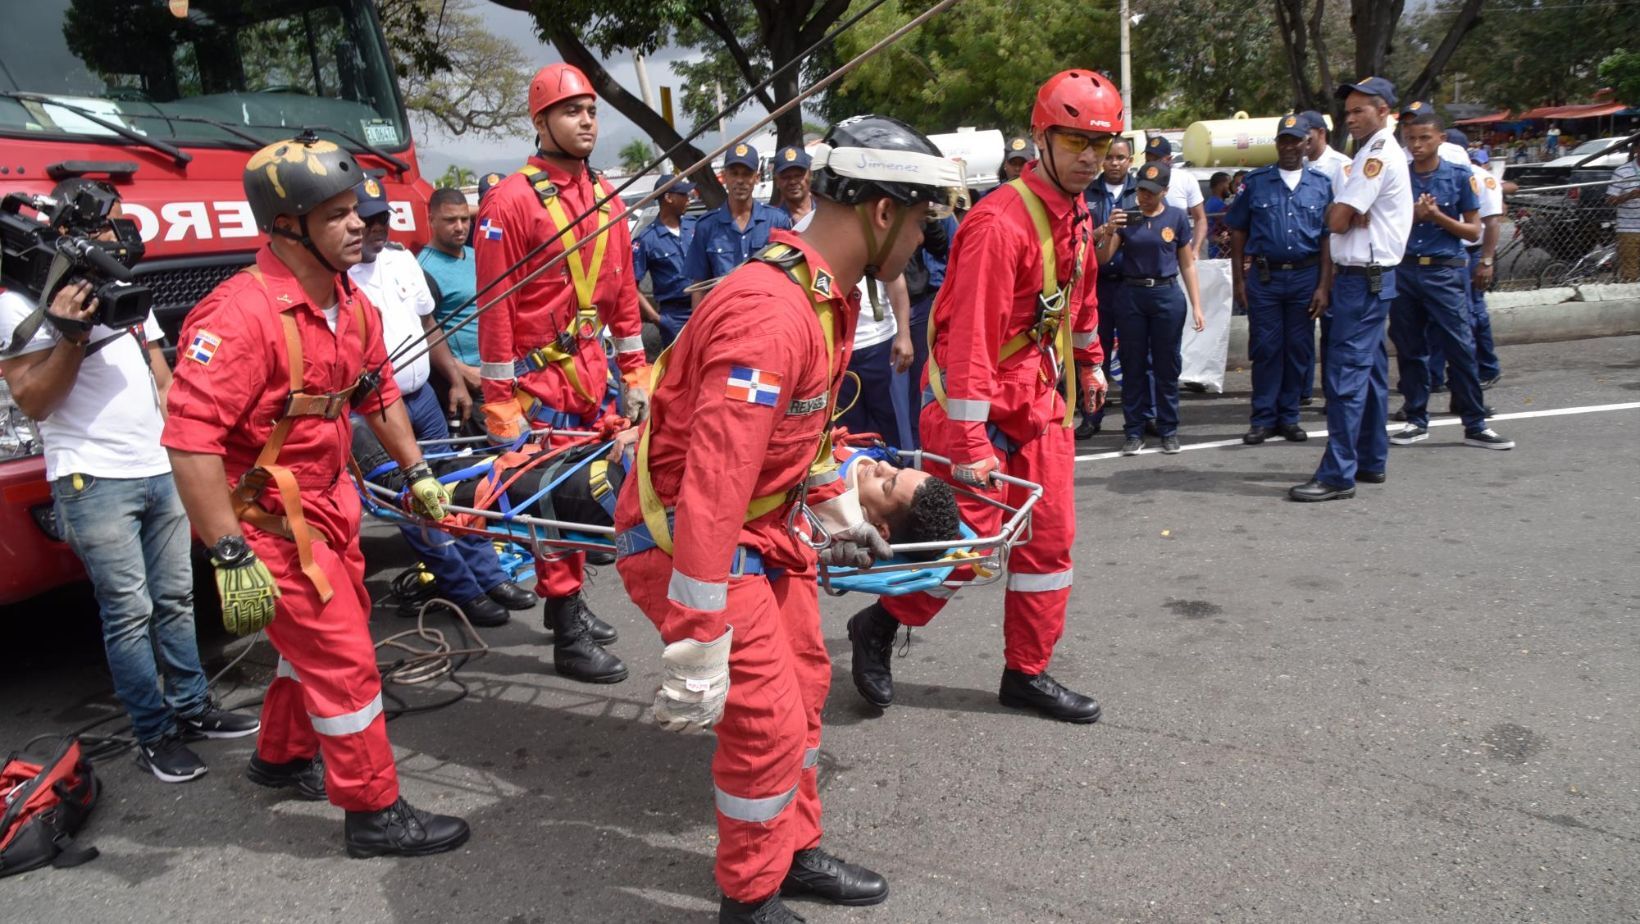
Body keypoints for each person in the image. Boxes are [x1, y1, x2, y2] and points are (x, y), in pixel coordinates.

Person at [614, 114, 962, 923]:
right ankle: (750, 898)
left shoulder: (822, 297)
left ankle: (790, 849)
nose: (920, 243)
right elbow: (712, 484)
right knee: (765, 723)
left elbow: (794, 442)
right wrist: (699, 638)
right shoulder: (773, 315)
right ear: (882, 213)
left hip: (760, 529)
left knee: (804, 686)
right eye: (919, 223)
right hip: (697, 541)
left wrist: (839, 501)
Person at [162, 135, 469, 855]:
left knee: (312, 651)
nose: (359, 222)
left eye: (356, 209)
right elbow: (188, 441)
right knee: (345, 662)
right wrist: (230, 553)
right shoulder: (237, 317)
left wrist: (418, 471)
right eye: (335, 215)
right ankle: (374, 812)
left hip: (332, 511)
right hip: (271, 524)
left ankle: (280, 755)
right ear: (286, 226)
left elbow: (379, 396)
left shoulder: (349, 304)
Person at [850, 70, 1118, 726]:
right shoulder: (1000, 224)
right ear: (1041, 139)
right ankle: (879, 626)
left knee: (1048, 546)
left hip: (1036, 405)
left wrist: (1088, 363)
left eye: (1102, 144)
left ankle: (1026, 672)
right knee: (963, 550)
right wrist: (970, 443)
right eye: (1076, 140)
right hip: (976, 415)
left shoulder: (1079, 215)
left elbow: (1077, 302)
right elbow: (969, 339)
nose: (1090, 157)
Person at [0, 179, 258, 784]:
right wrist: (72, 334)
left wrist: (191, 451)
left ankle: (193, 708)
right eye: (108, 224)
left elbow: (165, 383)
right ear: (68, 231)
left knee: (176, 599)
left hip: (159, 467)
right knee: (129, 612)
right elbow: (35, 401)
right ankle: (154, 733)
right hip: (93, 479)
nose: (121, 234)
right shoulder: (18, 304)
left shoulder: (128, 296)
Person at [474, 63, 649, 684]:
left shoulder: (604, 196)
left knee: (581, 498)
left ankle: (563, 604)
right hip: (538, 386)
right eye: (571, 111)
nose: (585, 121)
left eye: (591, 110)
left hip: (590, 379)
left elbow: (624, 294)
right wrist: (501, 401)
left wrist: (636, 370)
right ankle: (569, 631)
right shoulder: (510, 201)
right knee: (552, 504)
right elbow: (493, 311)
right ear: (541, 120)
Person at [348, 179, 537, 628]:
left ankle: (490, 577)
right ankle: (463, 590)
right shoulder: (338, 275)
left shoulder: (400, 262)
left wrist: (452, 379)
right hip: (375, 410)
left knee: (459, 490)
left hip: (423, 399)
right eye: (367, 219)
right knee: (416, 501)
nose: (377, 227)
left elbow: (429, 325)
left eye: (383, 218)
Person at [1289, 77, 1412, 502]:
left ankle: (1338, 473)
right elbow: (1343, 215)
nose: (1351, 118)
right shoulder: (1371, 154)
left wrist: (1339, 211)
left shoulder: (1375, 156)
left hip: (1363, 279)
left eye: (1361, 110)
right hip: (1369, 278)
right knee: (1372, 373)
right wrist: (1342, 211)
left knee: (1345, 377)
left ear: (1383, 111)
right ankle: (1370, 460)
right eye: (1349, 112)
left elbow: (1337, 220)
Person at [1385, 103, 1514, 453]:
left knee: (1460, 346)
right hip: (1406, 269)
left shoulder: (1459, 176)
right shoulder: (1398, 176)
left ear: (1441, 138)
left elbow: (1473, 230)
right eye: (1410, 138)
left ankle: (1474, 423)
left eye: (1424, 137)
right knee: (1410, 348)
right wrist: (1415, 213)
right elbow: (1387, 225)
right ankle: (1415, 418)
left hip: (1444, 269)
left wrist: (1437, 216)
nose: (1417, 144)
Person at [1226, 115, 1332, 446]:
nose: (1289, 146)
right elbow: (1238, 230)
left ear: (1307, 143)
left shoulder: (1322, 184)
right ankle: (1263, 418)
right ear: (1277, 144)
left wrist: (1324, 285)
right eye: (1283, 140)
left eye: (1295, 140)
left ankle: (1289, 416)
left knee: (1298, 350)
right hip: (1265, 277)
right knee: (1267, 348)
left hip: (1305, 276)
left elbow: (1328, 238)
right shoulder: (1255, 183)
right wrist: (1239, 280)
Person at [1096, 160, 1204, 455]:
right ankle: (1134, 429)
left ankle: (1168, 428)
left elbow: (1187, 263)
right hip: (1131, 295)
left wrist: (1197, 305)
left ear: (1165, 191)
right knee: (1133, 365)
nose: (1144, 197)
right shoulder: (1127, 217)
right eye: (1141, 190)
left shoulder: (1176, 217)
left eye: (1152, 192)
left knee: (1167, 365)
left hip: (1167, 295)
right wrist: (1107, 231)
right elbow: (1103, 259)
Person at [1080, 136, 1139, 438]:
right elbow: (1078, 234)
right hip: (1097, 284)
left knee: (1135, 354)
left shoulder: (1140, 192)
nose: (1115, 163)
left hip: (1132, 284)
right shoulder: (1086, 192)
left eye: (1121, 158)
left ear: (1130, 160)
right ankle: (1092, 417)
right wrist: (1105, 229)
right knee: (1094, 355)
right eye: (1110, 157)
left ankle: (1141, 418)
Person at [685, 143, 793, 300]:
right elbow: (699, 287)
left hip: (767, 315)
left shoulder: (777, 221)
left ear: (756, 178)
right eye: (734, 174)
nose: (740, 180)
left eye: (746, 174)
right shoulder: (706, 227)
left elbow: (789, 278)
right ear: (725, 177)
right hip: (724, 316)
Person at [417, 187, 483, 412]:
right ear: (432, 220)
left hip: (497, 375)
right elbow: (423, 334)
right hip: (469, 384)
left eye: (465, 219)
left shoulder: (476, 255)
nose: (460, 227)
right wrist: (461, 372)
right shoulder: (423, 270)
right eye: (450, 220)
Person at [632, 174, 699, 345]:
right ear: (668, 197)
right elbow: (631, 286)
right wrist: (657, 319)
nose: (688, 199)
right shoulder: (647, 239)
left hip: (703, 307)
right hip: (674, 317)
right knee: (679, 369)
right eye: (683, 195)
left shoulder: (694, 227)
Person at [1143, 134, 1207, 257]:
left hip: (1181, 251)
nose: (1151, 164)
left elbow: (1200, 219)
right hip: (1152, 254)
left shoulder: (1186, 179)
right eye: (1148, 159)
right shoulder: (1140, 182)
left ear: (1169, 159)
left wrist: (1195, 249)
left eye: (1156, 159)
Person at [1606, 139, 1640, 283]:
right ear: (1638, 150)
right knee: (1630, 270)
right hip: (1629, 229)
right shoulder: (1622, 172)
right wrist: (1629, 195)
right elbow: (1610, 200)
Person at [1301, 110, 1353, 192]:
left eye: (1305, 132)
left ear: (1321, 132)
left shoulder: (1340, 164)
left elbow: (1347, 201)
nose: (1301, 138)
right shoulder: (1300, 164)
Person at [773, 145, 815, 223]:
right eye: (786, 177)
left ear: (810, 175)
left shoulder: (827, 212)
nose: (792, 181)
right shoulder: (773, 221)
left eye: (798, 175)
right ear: (777, 182)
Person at [1205, 171, 1232, 259]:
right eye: (1228, 184)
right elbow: (1229, 224)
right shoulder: (1217, 205)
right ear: (1220, 185)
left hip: (1215, 250)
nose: (1230, 187)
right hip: (1220, 251)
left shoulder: (1211, 202)